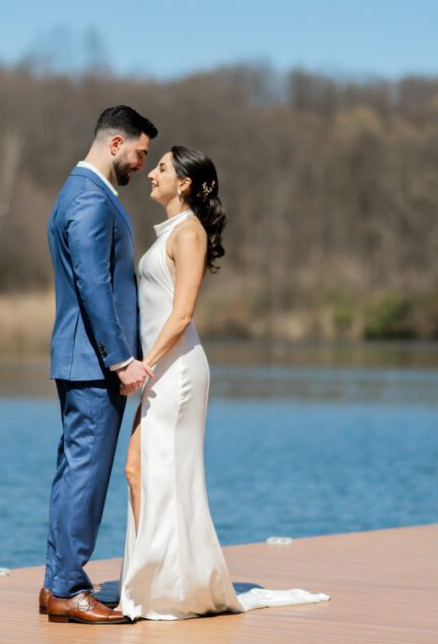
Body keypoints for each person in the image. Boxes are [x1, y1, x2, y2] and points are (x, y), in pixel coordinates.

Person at [118, 145, 330, 620]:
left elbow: (183, 314)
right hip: (160, 368)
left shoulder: (188, 232)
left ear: (185, 184)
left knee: (158, 473)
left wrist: (142, 366)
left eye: (163, 168)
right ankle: (153, 580)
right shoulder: (171, 230)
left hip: (176, 370)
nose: (152, 174)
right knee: (137, 470)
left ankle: (168, 588)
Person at [41, 105, 157, 625]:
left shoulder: (78, 192)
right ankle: (67, 586)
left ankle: (57, 582)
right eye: (139, 153)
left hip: (80, 361)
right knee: (85, 474)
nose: (140, 164)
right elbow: (94, 285)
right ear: (115, 144)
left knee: (73, 471)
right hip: (93, 363)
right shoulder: (89, 198)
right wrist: (120, 360)